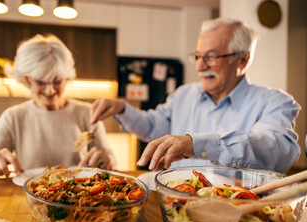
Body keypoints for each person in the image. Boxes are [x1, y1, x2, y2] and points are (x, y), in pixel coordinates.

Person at [90, 17, 301, 173]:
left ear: (242, 61)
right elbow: (153, 127)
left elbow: (275, 151)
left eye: (211, 56)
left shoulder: (276, 102)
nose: (200, 66)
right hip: (176, 205)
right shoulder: (183, 95)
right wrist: (122, 108)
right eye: (198, 56)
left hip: (240, 212)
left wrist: (196, 144)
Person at [0, 34, 115, 179]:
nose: (50, 90)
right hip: (28, 197)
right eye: (41, 82)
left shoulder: (89, 114)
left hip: (79, 199)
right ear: (27, 79)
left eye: (57, 81)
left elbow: (112, 166)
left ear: (67, 78)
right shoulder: (13, 117)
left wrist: (107, 161)